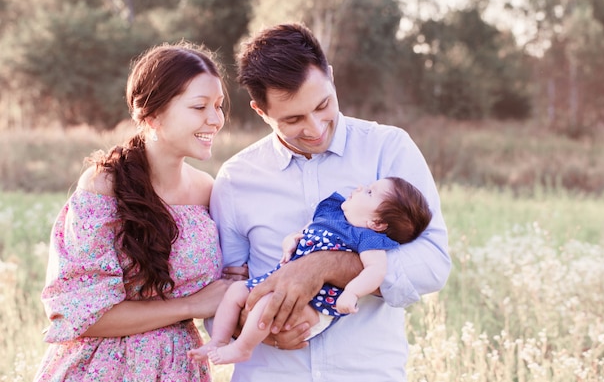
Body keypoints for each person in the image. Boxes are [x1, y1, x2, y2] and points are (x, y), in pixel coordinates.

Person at [207, 22, 451, 381]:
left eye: (323, 105)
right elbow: (221, 290)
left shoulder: (388, 148)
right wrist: (265, 325)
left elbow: (433, 262)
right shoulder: (235, 179)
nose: (316, 127)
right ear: (260, 111)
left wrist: (323, 266)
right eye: (292, 119)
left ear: (331, 77)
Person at [34, 41, 247, 382]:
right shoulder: (104, 185)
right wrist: (191, 306)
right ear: (152, 115)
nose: (215, 119)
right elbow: (82, 314)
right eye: (199, 106)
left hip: (179, 367)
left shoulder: (208, 190)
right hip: (102, 368)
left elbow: (232, 281)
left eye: (219, 106)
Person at [190, 177, 432, 364]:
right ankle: (219, 341)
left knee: (267, 304)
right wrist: (289, 242)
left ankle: (243, 348)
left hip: (317, 299)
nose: (360, 187)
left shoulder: (366, 237)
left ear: (377, 223)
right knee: (235, 291)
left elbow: (375, 271)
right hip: (281, 279)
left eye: (369, 192)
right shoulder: (331, 214)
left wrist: (352, 292)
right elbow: (303, 232)